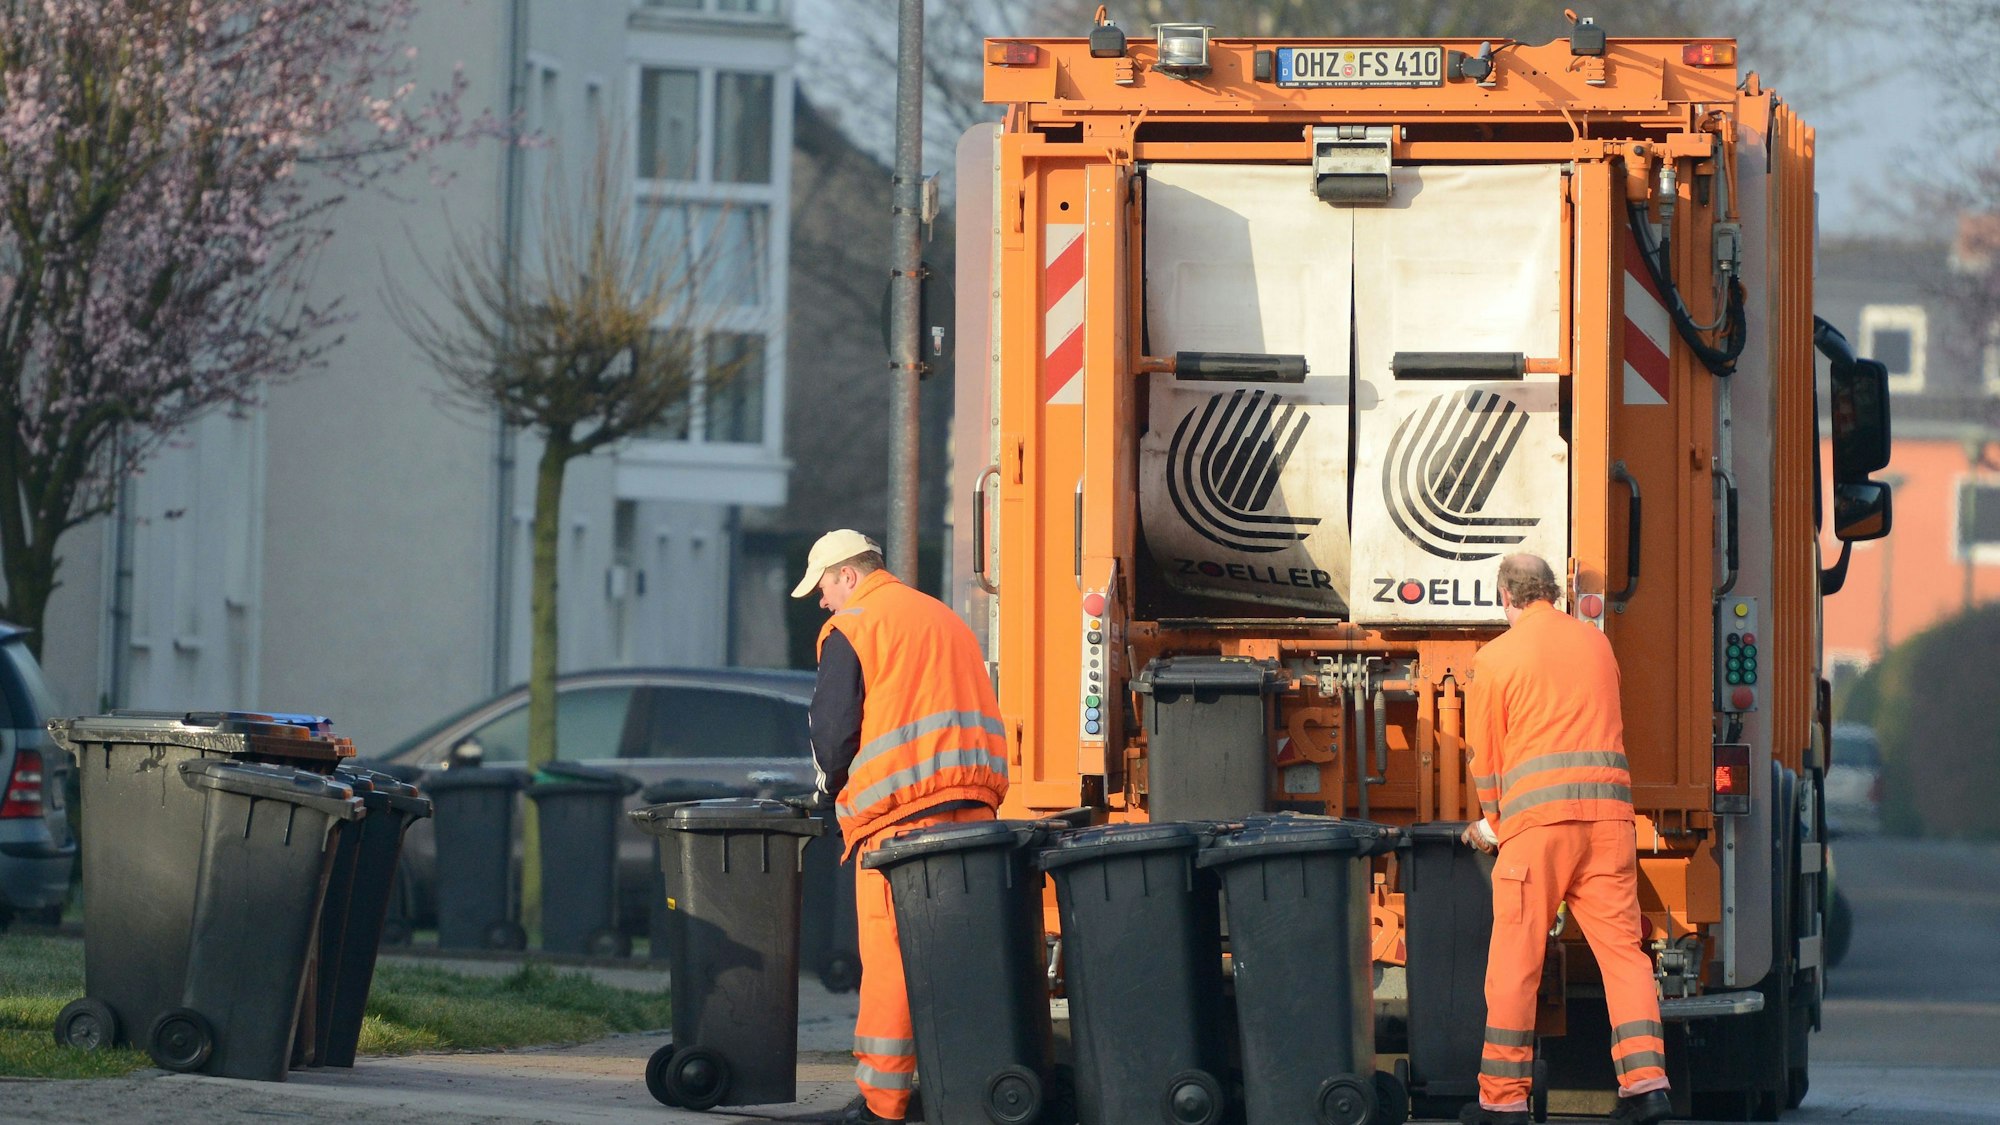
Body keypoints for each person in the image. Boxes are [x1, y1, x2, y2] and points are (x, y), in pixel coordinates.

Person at [794, 528, 1010, 1125]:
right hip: (974, 810)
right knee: (959, 956)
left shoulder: (855, 626)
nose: (821, 602)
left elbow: (833, 734)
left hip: (898, 822)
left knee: (892, 958)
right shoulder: (941, 617)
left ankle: (884, 1103)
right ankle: (970, 1093)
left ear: (848, 575)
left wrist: (826, 791)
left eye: (822, 588)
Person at [1457, 554, 1671, 1125]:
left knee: (1516, 962)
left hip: (1536, 832)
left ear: (1505, 595)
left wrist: (1491, 822)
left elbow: (1486, 759)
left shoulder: (1494, 660)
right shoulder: (1596, 645)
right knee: (1624, 955)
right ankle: (1646, 1084)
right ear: (1552, 591)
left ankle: (1503, 1101)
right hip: (1608, 825)